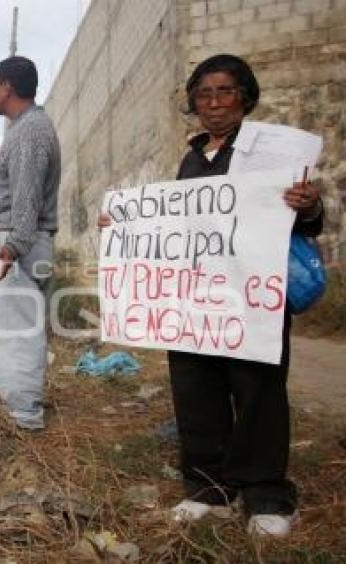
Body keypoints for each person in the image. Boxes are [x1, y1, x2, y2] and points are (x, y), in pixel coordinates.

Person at [98, 54, 324, 537]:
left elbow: (298, 217)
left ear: (245, 97)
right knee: (195, 388)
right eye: (204, 94)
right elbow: (175, 223)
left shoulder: (270, 154)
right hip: (192, 301)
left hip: (249, 298)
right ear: (193, 103)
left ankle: (266, 495)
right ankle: (208, 490)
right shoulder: (192, 157)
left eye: (225, 92)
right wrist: (125, 223)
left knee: (257, 389)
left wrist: (309, 206)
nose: (215, 103)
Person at [0, 56, 61, 430]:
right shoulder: (29, 128)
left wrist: (10, 247)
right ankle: (17, 409)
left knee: (15, 332)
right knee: (19, 327)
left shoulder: (29, 131)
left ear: (7, 87)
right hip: (21, 242)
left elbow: (26, 199)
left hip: (21, 247)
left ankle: (22, 417)